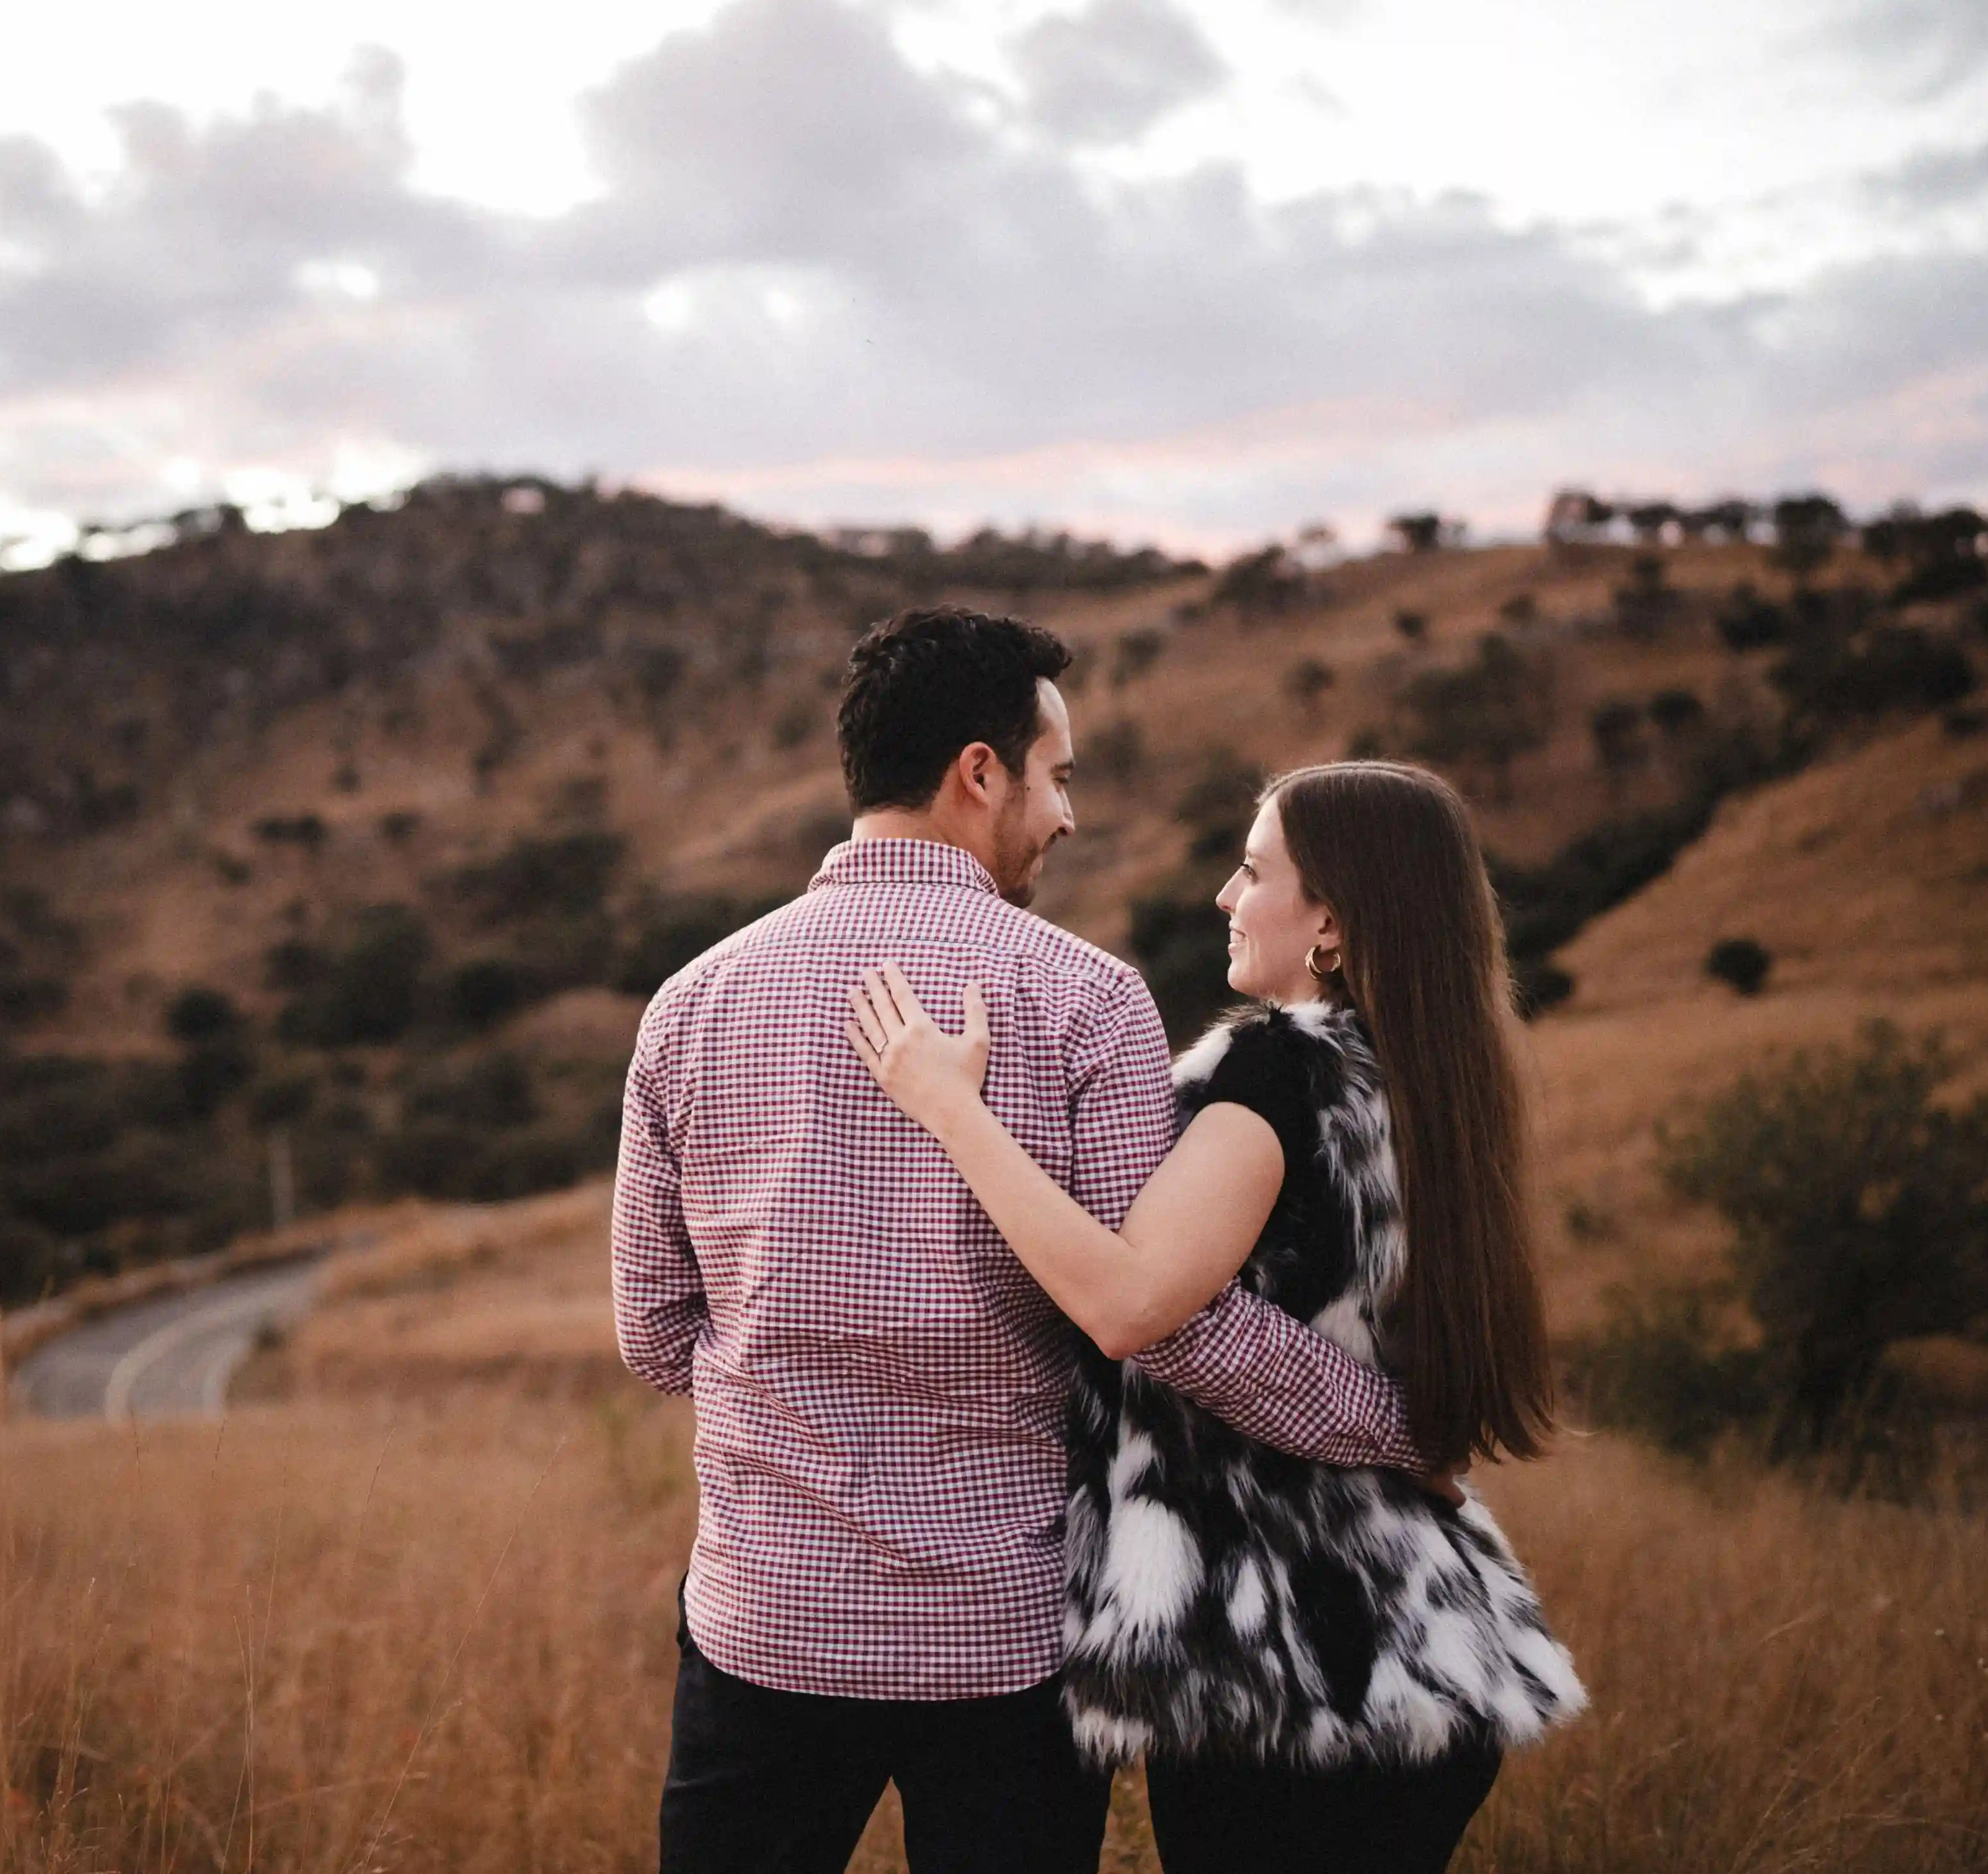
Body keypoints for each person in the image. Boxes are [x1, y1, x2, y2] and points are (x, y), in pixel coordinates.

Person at [614, 608, 1441, 1874]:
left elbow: (656, 1334)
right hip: (1009, 1642)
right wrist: (1399, 1421)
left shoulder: (692, 1004)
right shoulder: (1084, 998)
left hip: (765, 1625)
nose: (1064, 816)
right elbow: (1168, 1322)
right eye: (1054, 779)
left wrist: (799, 1386)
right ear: (978, 774)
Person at [846, 759, 1587, 1874]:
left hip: (1282, 1664)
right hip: (1422, 1640)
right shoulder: (1428, 1079)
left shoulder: (1276, 1068)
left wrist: (949, 1106)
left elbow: (1132, 1303)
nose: (1223, 900)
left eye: (1252, 874)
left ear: (1330, 921)